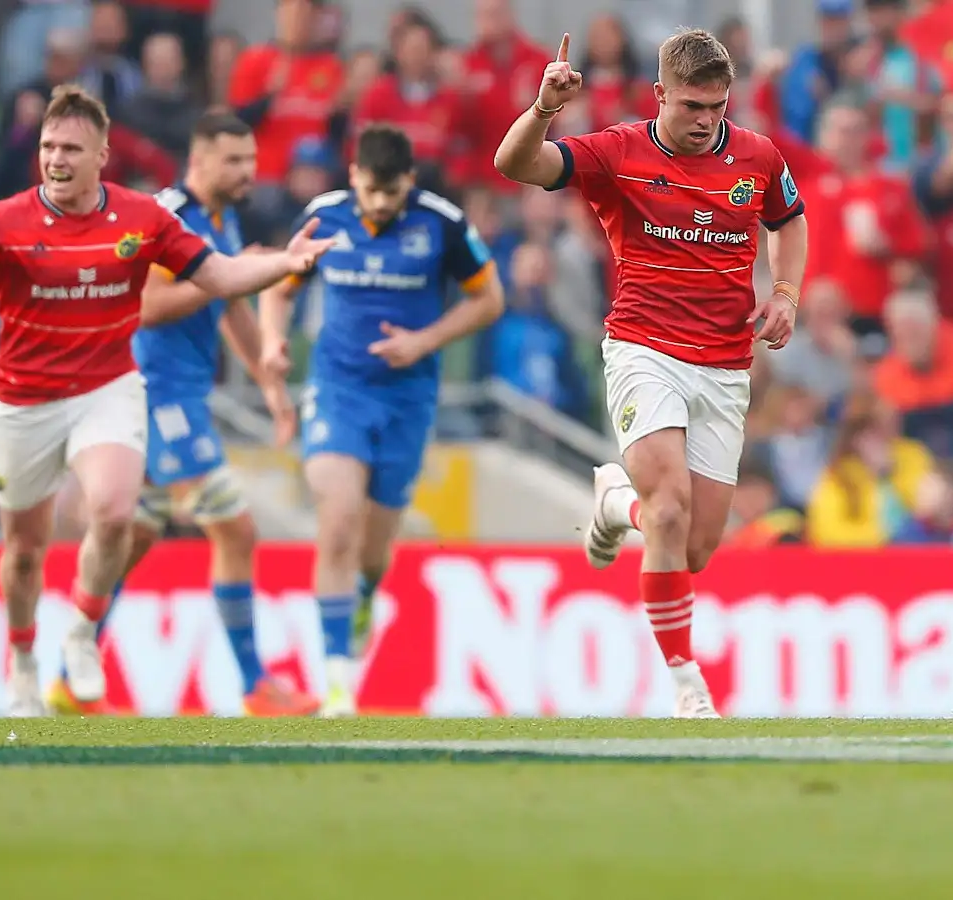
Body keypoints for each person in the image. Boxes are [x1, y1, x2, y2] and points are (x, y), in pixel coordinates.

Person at [0, 84, 336, 717]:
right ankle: (27, 663)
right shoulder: (4, 221)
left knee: (112, 513)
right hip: (25, 402)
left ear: (102, 155)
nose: (55, 158)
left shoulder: (143, 219)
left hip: (109, 389)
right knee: (25, 554)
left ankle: (82, 637)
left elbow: (220, 278)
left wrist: (286, 262)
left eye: (71, 148)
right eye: (48, 146)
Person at [493, 30, 808, 717]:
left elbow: (789, 218)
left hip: (724, 364)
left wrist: (784, 293)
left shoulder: (757, 155)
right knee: (668, 509)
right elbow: (515, 164)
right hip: (645, 349)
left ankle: (614, 505)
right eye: (693, 104)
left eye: (718, 107)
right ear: (661, 93)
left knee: (691, 548)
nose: (706, 120)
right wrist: (544, 108)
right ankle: (685, 682)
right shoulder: (617, 152)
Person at [45, 111, 317, 717]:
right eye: (234, 161)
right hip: (153, 393)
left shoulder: (220, 218)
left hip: (177, 395)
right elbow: (146, 305)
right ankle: (254, 685)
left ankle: (69, 677)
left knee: (128, 541)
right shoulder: (166, 217)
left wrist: (269, 386)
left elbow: (229, 307)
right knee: (235, 529)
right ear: (199, 160)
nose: (248, 171)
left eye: (251, 160)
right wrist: (227, 275)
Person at [258, 123, 504, 717]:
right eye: (370, 192)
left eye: (391, 194)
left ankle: (366, 591)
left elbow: (489, 299)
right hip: (338, 389)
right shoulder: (325, 216)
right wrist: (271, 342)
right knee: (337, 518)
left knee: (374, 544)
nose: (379, 205)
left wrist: (424, 342)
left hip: (407, 398)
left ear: (409, 183)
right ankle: (338, 683)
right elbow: (278, 287)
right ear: (353, 179)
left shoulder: (440, 222)